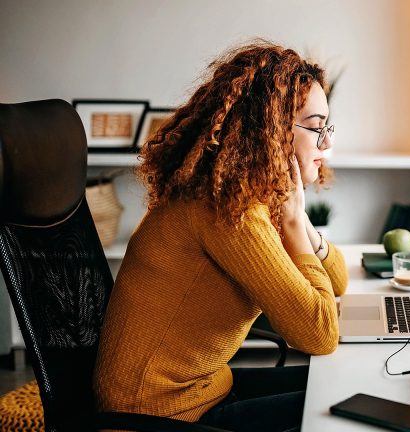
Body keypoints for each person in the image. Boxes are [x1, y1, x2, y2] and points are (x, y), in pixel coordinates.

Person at [93, 39, 348, 432]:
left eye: (327, 127)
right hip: (156, 415)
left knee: (342, 390)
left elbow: (339, 282)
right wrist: (295, 223)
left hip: (202, 391)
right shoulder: (228, 212)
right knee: (342, 409)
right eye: (316, 128)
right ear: (272, 130)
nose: (327, 143)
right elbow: (320, 334)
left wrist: (299, 222)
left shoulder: (251, 197)